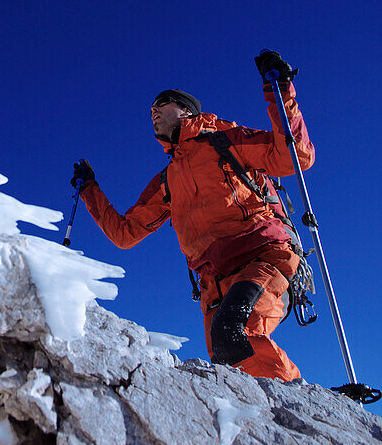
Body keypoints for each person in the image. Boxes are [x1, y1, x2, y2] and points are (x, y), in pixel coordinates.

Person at [71, 52, 314, 382]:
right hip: (214, 282)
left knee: (235, 330)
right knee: (228, 367)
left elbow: (295, 157)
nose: (153, 110)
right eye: (151, 109)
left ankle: (301, 409)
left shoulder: (224, 139)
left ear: (186, 111)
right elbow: (125, 234)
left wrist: (280, 89)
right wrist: (90, 189)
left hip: (264, 257)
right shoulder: (168, 180)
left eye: (163, 102)